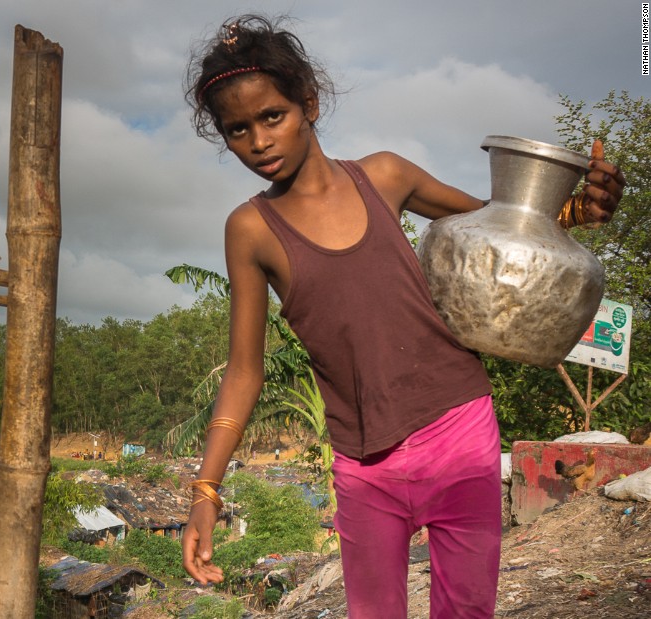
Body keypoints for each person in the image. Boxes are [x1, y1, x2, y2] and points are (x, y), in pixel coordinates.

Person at [179, 15, 625, 618]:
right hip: (364, 465)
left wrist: (577, 208)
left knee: (467, 610)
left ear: (308, 103)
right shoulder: (251, 229)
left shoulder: (384, 176)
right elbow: (243, 370)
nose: (258, 141)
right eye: (237, 130)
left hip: (458, 430)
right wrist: (206, 489)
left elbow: (497, 234)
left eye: (272, 117)